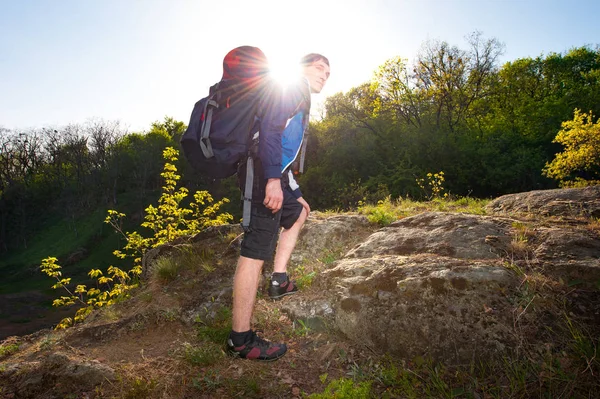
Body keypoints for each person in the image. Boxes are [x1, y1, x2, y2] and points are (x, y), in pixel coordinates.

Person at [227, 53, 330, 361]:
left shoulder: (299, 95)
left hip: (275, 174)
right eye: (319, 67)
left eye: (329, 71)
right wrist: (272, 180)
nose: (325, 74)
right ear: (301, 69)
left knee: (299, 212)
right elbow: (270, 132)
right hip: (261, 174)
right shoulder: (292, 88)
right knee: (255, 251)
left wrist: (293, 192)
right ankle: (240, 341)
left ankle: (279, 281)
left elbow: (284, 149)